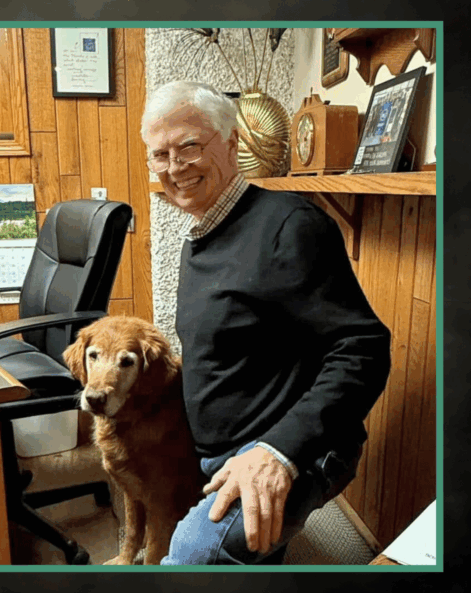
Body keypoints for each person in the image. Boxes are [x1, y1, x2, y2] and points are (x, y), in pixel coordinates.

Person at [140, 81, 392, 565]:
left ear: (232, 143)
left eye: (190, 146)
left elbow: (363, 348)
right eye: (159, 154)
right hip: (226, 448)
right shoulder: (204, 231)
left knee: (191, 554)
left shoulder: (289, 226)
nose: (175, 168)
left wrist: (277, 451)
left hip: (296, 446)